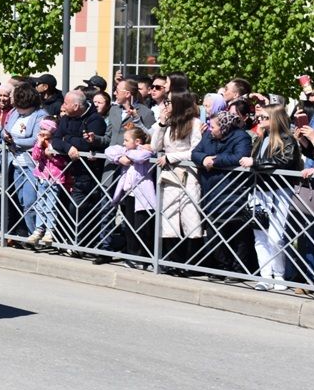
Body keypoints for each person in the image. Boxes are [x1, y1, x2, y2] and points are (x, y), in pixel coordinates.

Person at [241, 104, 301, 290]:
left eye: (265, 117)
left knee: (276, 236)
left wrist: (256, 163)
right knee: (259, 234)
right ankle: (265, 276)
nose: (260, 120)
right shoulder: (261, 139)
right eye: (260, 118)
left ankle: (279, 276)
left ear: (275, 118)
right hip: (259, 190)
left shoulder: (287, 139)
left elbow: (286, 160)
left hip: (279, 190)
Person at [192, 110, 254, 275]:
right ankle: (222, 266)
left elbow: (239, 157)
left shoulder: (241, 137)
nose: (210, 129)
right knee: (214, 231)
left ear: (224, 126)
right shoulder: (209, 136)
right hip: (210, 189)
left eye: (213, 126)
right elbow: (195, 153)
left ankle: (239, 269)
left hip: (232, 190)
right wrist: (204, 158)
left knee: (237, 232)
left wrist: (215, 160)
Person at [151, 91, 203, 271]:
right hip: (169, 176)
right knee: (169, 217)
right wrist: (161, 123)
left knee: (190, 217)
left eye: (169, 102)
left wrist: (172, 156)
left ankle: (190, 264)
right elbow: (155, 147)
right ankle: (171, 260)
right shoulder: (169, 123)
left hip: (188, 174)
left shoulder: (195, 123)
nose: (166, 105)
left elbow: (195, 150)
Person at [50, 90, 108, 249]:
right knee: (65, 206)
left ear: (76, 106)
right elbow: (55, 140)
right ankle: (67, 240)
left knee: (80, 208)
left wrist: (67, 139)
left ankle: (82, 244)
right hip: (68, 170)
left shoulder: (95, 119)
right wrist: (68, 146)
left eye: (66, 104)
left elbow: (87, 144)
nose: (63, 106)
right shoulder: (67, 118)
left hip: (88, 172)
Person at [105, 127, 156, 268]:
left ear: (138, 141)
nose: (124, 143)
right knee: (130, 227)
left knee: (142, 227)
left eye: (127, 140)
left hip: (143, 197)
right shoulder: (126, 151)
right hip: (128, 195)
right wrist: (119, 157)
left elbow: (140, 157)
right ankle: (132, 256)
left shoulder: (146, 152)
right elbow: (109, 151)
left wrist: (129, 153)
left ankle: (146, 258)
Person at [3, 83, 46, 236]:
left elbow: (35, 140)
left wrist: (14, 141)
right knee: (21, 200)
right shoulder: (15, 112)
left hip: (31, 165)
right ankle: (28, 233)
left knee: (30, 201)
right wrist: (5, 136)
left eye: (24, 108)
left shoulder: (39, 115)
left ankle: (35, 233)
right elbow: (5, 130)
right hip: (15, 164)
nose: (21, 111)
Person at [27, 117, 70, 247]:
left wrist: (51, 155)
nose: (42, 131)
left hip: (55, 178)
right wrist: (39, 145)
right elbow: (35, 156)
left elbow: (62, 162)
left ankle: (50, 230)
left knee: (51, 205)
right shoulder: (39, 141)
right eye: (41, 129)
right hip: (42, 177)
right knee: (40, 204)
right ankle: (39, 229)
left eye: (45, 129)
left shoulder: (57, 143)